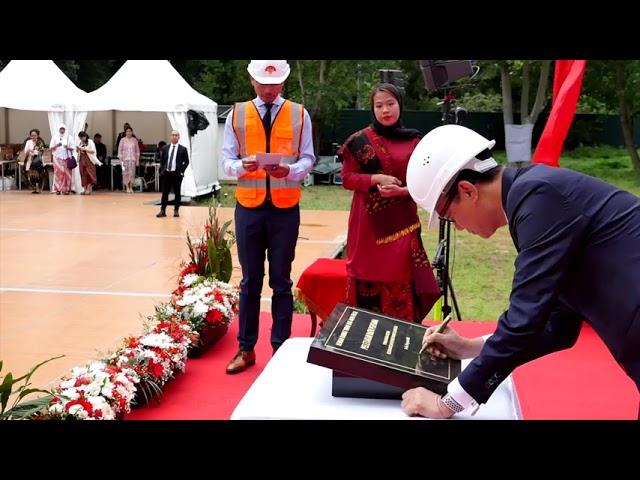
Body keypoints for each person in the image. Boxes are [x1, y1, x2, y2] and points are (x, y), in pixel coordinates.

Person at [400, 124, 640, 418]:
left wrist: (445, 404)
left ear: (468, 190)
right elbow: (556, 327)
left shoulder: (539, 197)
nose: (459, 227)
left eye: (450, 217)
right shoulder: (534, 197)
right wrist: (470, 347)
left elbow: (523, 321)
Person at [222, 60, 315, 374]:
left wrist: (289, 169)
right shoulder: (236, 114)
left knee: (281, 281)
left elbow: (308, 158)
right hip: (248, 206)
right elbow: (226, 160)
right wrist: (240, 166)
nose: (269, 89)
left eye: (274, 84)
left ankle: (281, 350)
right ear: (252, 81)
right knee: (250, 281)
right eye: (263, 83)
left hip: (285, 207)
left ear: (284, 83)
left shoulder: (299, 113)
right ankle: (246, 348)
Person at [339, 83, 440, 323]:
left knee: (402, 275)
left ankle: (403, 334)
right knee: (365, 274)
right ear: (372, 109)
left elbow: (426, 182)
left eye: (390, 104)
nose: (385, 110)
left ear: (400, 106)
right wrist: (376, 178)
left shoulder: (416, 142)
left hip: (402, 222)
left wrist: (401, 190)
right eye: (379, 105)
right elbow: (347, 178)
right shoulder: (358, 141)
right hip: (367, 226)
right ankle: (362, 336)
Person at [156, 130, 189, 217]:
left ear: (179, 137)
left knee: (177, 193)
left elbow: (186, 162)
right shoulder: (165, 148)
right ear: (170, 137)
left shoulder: (183, 149)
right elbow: (162, 160)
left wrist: (182, 171)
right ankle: (163, 210)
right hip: (167, 173)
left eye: (176, 135)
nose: (174, 137)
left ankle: (176, 210)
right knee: (165, 193)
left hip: (177, 174)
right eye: (173, 135)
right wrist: (162, 170)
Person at [49, 123, 73, 195]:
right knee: (58, 173)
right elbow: (51, 148)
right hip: (57, 157)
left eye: (63, 129)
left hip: (66, 157)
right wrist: (57, 145)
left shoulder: (69, 137)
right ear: (58, 129)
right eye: (61, 129)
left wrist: (67, 147)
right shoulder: (54, 137)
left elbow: (73, 148)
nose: (62, 130)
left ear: (65, 129)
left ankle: (66, 189)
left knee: (67, 173)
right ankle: (58, 189)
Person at [76, 131, 102, 195]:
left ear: (85, 136)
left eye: (83, 137)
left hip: (89, 160)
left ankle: (88, 188)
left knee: (89, 173)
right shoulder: (80, 142)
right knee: (83, 173)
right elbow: (78, 151)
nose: (82, 139)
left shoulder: (90, 142)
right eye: (80, 137)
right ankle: (84, 189)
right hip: (82, 160)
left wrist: (85, 149)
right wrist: (79, 150)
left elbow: (93, 151)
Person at [22, 128, 46, 193]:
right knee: (31, 174)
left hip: (38, 160)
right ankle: (34, 188)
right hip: (30, 159)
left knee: (39, 174)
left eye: (35, 135)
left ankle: (39, 187)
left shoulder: (40, 142)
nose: (33, 137)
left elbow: (42, 151)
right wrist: (29, 150)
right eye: (32, 135)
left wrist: (36, 152)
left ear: (37, 135)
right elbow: (25, 152)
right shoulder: (28, 142)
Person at [117, 126, 139, 193]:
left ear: (132, 132)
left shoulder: (134, 140)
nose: (129, 132)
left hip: (132, 159)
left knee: (132, 173)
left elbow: (137, 151)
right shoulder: (122, 140)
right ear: (125, 132)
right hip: (124, 159)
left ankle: (131, 187)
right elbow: (120, 150)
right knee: (125, 173)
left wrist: (137, 160)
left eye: (130, 131)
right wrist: (121, 160)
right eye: (127, 131)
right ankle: (127, 187)